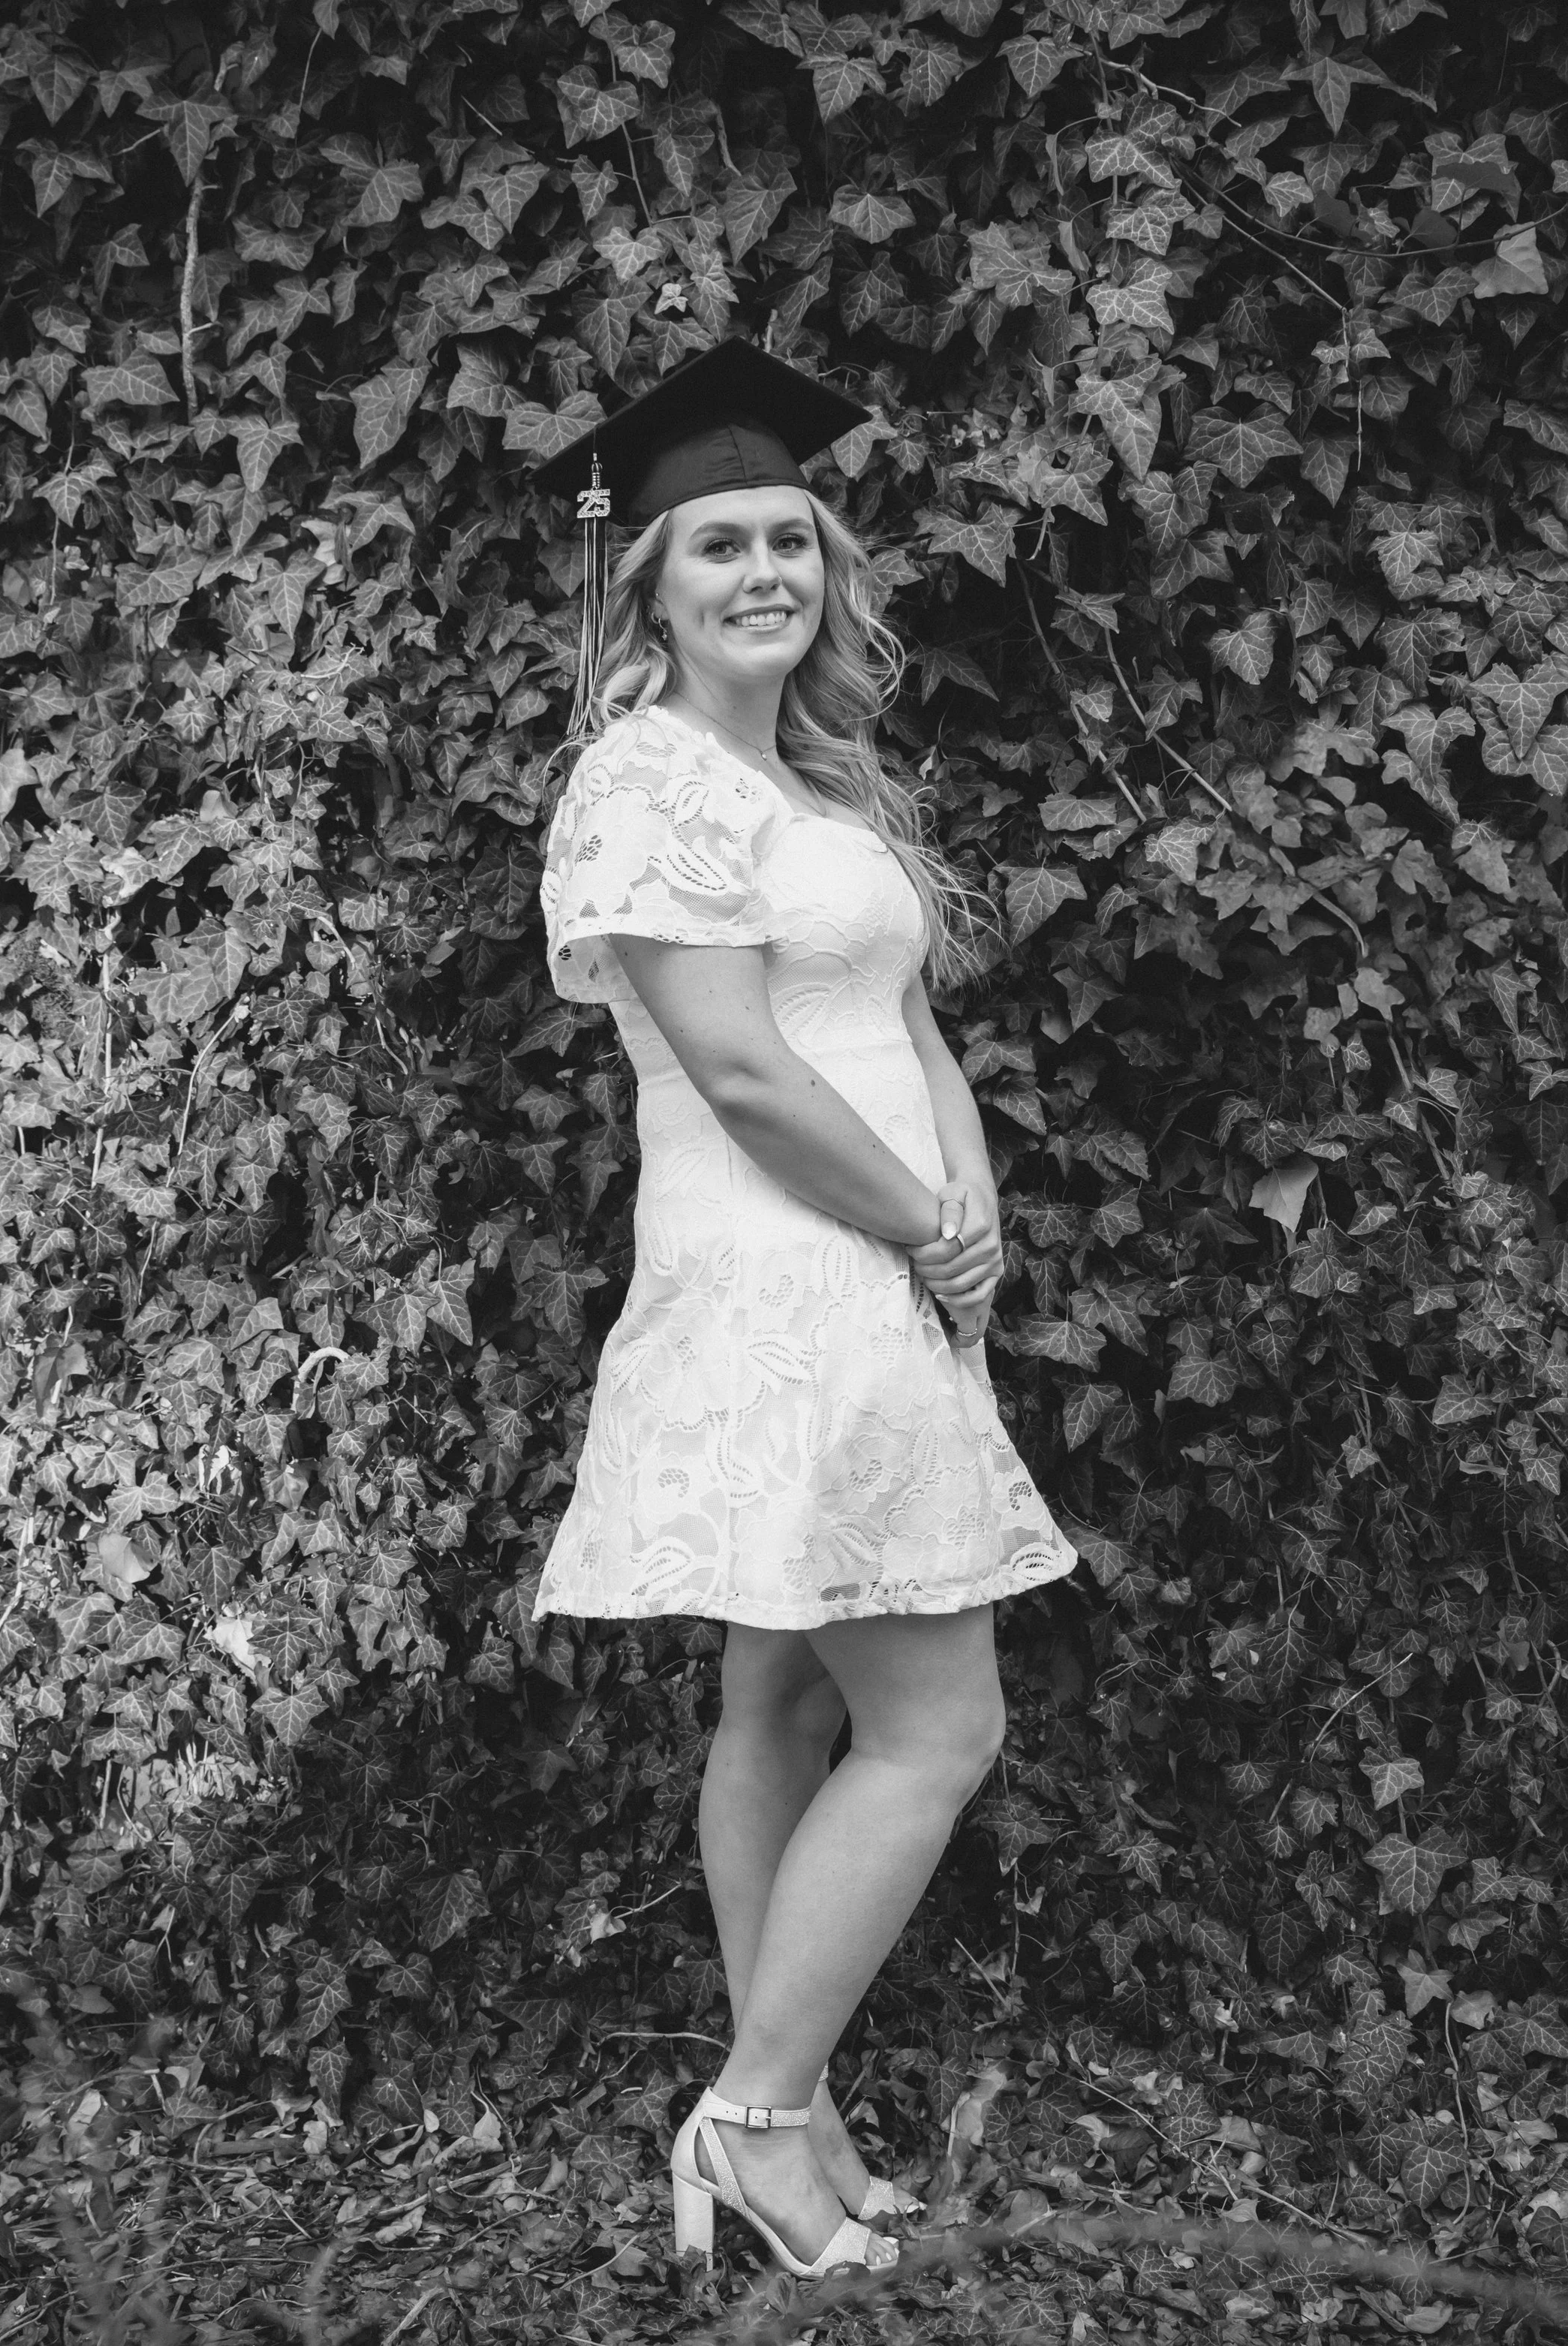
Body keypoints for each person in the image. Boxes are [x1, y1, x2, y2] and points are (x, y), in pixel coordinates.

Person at [533, 339, 1077, 2280]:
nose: (762, 569)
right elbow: (748, 1073)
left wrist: (970, 1214)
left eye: (790, 539)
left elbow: (900, 1021)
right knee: (937, 1724)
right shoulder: (643, 784)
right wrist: (923, 1227)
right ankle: (755, 2120)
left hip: (889, 1269)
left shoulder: (812, 779)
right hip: (786, 1278)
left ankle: (795, 2106)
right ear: (651, 588)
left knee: (782, 1689)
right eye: (719, 544)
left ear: (826, 572)